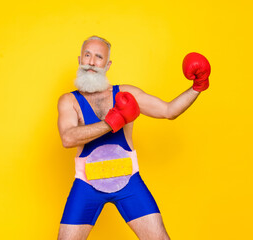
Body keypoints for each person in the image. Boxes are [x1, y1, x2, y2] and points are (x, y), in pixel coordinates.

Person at [57, 36, 210, 240]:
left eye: (99, 57)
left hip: (128, 182)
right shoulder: (69, 100)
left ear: (107, 64)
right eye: (87, 55)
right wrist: (111, 122)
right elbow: (68, 138)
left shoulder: (126, 94)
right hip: (87, 183)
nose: (92, 62)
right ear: (79, 60)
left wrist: (197, 87)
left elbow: (168, 110)